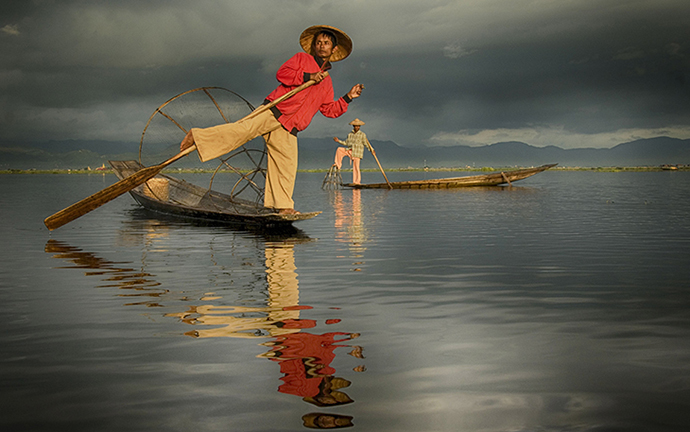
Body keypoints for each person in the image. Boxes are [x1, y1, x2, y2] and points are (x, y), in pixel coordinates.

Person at [180, 25, 364, 215]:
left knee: (286, 166)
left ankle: (283, 207)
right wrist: (308, 76)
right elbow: (282, 74)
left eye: (326, 43)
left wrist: (348, 97)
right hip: (273, 110)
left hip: (290, 128)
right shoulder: (302, 59)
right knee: (240, 131)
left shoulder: (327, 82)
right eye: (318, 42)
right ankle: (198, 136)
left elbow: (328, 110)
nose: (321, 46)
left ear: (333, 49)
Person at [332, 118, 374, 184]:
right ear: (353, 126)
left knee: (356, 167)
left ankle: (357, 182)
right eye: (356, 126)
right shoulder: (350, 134)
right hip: (350, 150)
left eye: (358, 126)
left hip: (357, 153)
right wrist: (338, 141)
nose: (357, 127)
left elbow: (366, 144)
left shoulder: (362, 135)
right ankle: (337, 164)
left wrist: (371, 150)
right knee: (339, 149)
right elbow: (346, 143)